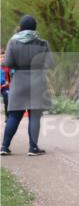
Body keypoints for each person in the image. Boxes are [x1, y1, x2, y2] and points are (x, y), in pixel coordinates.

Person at [1, 15, 53, 156]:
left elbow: (7, 63)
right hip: (37, 81)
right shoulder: (42, 43)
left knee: (14, 116)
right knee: (34, 115)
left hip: (19, 81)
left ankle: (4, 147)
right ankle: (33, 148)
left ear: (21, 27)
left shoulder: (13, 42)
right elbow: (50, 64)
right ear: (35, 27)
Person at [1, 50, 10, 118]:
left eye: (4, 57)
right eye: (1, 57)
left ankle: (7, 116)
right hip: (2, 86)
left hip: (6, 87)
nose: (2, 58)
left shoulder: (8, 66)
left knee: (7, 99)